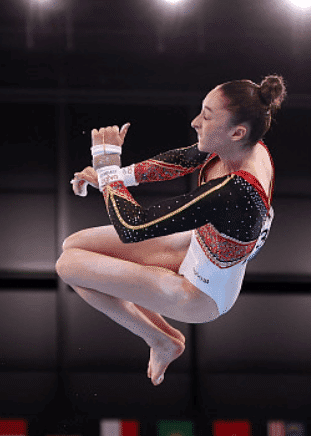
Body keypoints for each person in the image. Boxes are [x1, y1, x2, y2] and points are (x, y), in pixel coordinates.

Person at [56, 75, 287, 386]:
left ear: (237, 132)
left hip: (202, 294)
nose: (195, 122)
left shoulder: (236, 191)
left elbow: (133, 226)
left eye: (207, 116)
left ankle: (161, 341)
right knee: (74, 244)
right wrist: (116, 177)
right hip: (198, 246)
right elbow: (180, 160)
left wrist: (107, 166)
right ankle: (154, 321)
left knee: (69, 266)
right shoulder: (242, 145)